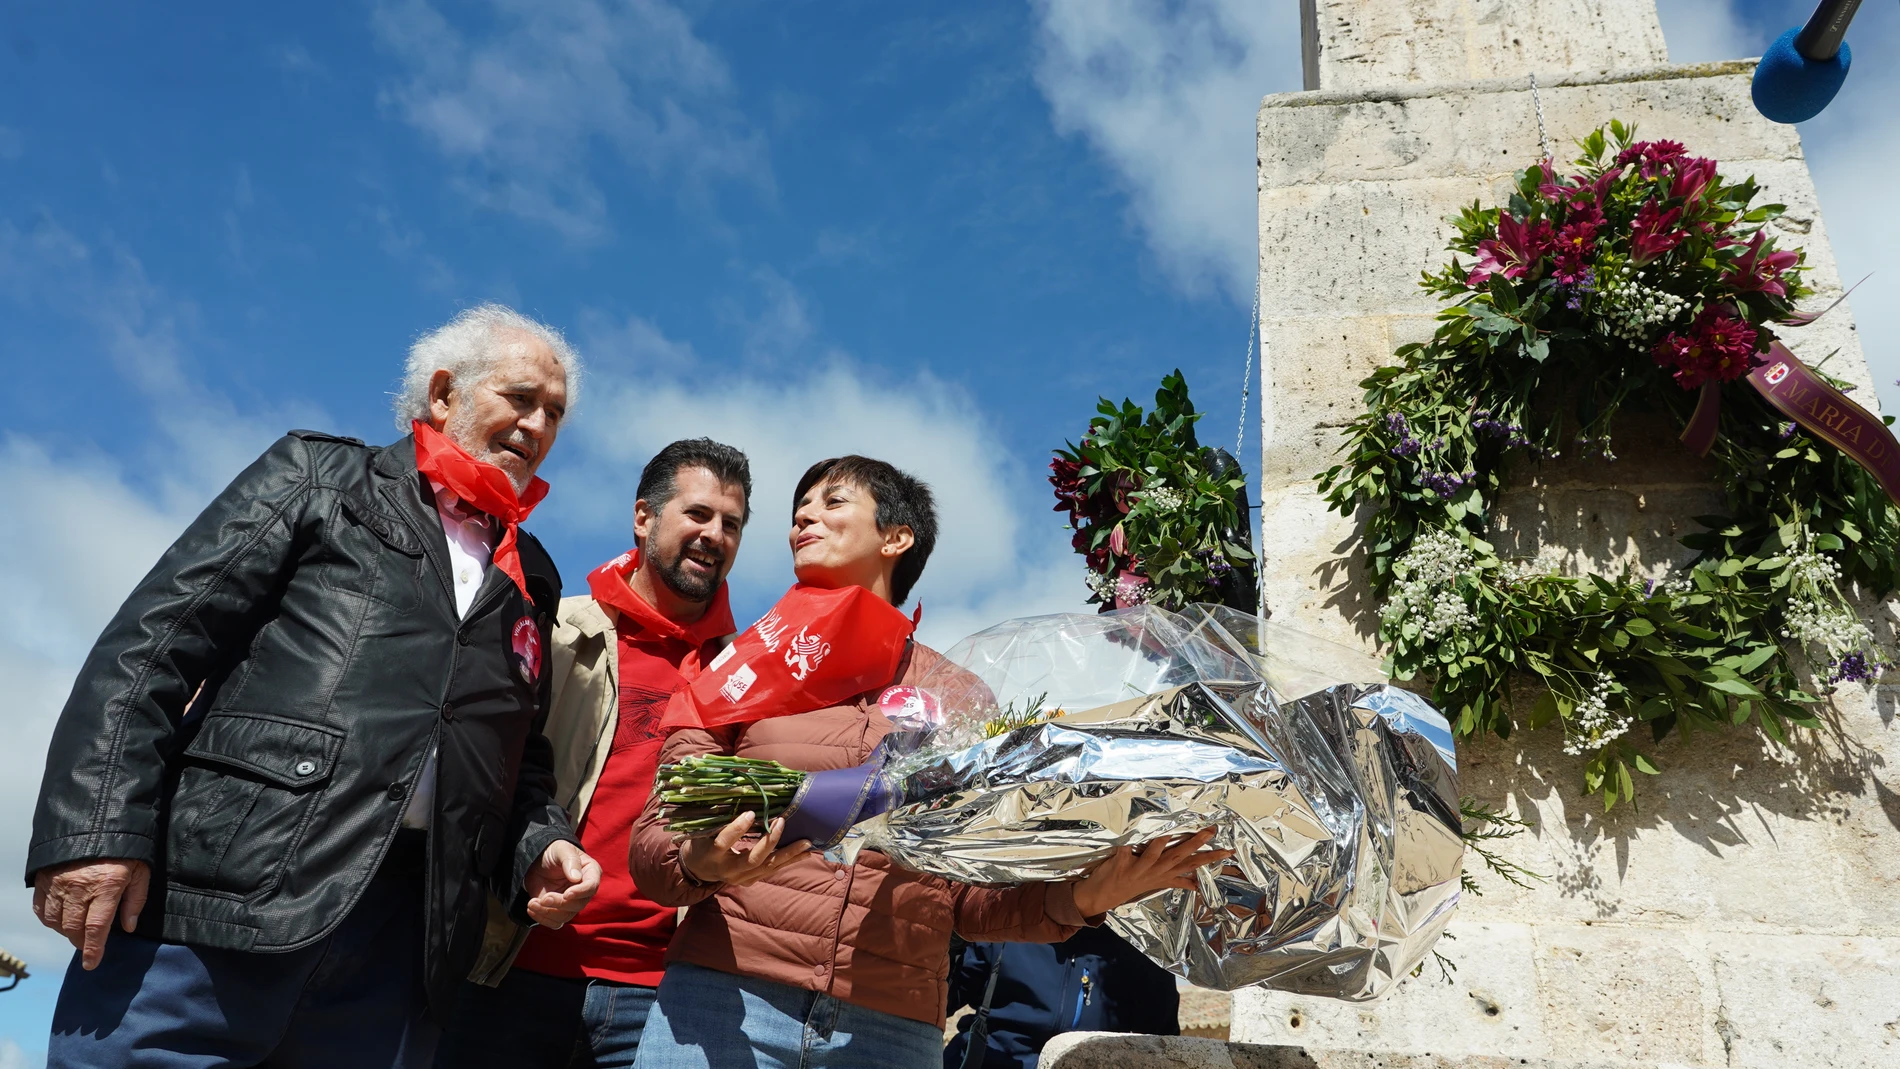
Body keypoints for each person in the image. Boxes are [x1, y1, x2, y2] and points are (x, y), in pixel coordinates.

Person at [28, 304, 602, 1069]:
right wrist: (94, 833)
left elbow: (519, 755)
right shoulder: (320, 476)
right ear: (442, 394)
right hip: (225, 901)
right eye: (520, 398)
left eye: (555, 412)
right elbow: (153, 645)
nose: (537, 425)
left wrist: (542, 842)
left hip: (404, 947)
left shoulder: (531, 571)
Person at [627, 456, 1232, 1069]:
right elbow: (652, 846)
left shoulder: (962, 698)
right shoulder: (732, 670)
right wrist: (697, 862)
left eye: (832, 502)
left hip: (889, 1032)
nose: (803, 517)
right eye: (797, 510)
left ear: (897, 537)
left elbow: (969, 902)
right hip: (724, 1006)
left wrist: (1080, 898)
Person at [435, 439, 753, 1068]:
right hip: (511, 966)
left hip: (666, 998)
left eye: (731, 524)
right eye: (697, 514)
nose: (713, 534)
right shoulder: (549, 629)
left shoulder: (747, 676)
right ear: (643, 517)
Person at [943, 929, 1181, 1069]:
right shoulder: (1008, 924)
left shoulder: (1138, 949)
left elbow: (1161, 1047)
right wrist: (947, 944)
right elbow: (939, 1001)